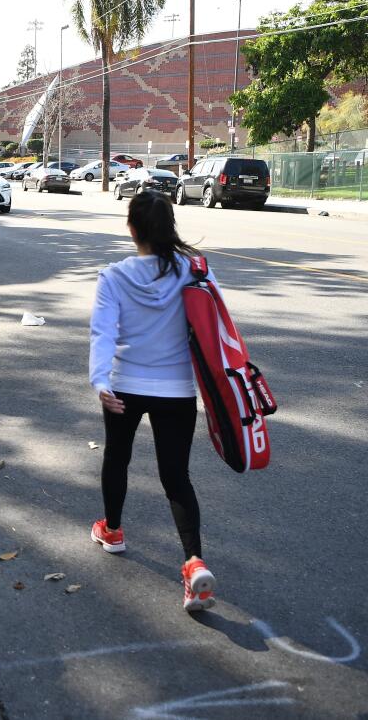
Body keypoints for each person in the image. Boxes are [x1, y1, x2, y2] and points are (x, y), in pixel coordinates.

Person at [88, 190, 219, 612]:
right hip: (178, 389)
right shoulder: (195, 271)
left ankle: (112, 530)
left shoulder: (114, 276)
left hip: (125, 384)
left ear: (132, 230)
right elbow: (215, 323)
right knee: (176, 476)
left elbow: (103, 333)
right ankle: (194, 562)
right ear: (170, 228)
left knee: (117, 457)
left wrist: (100, 381)